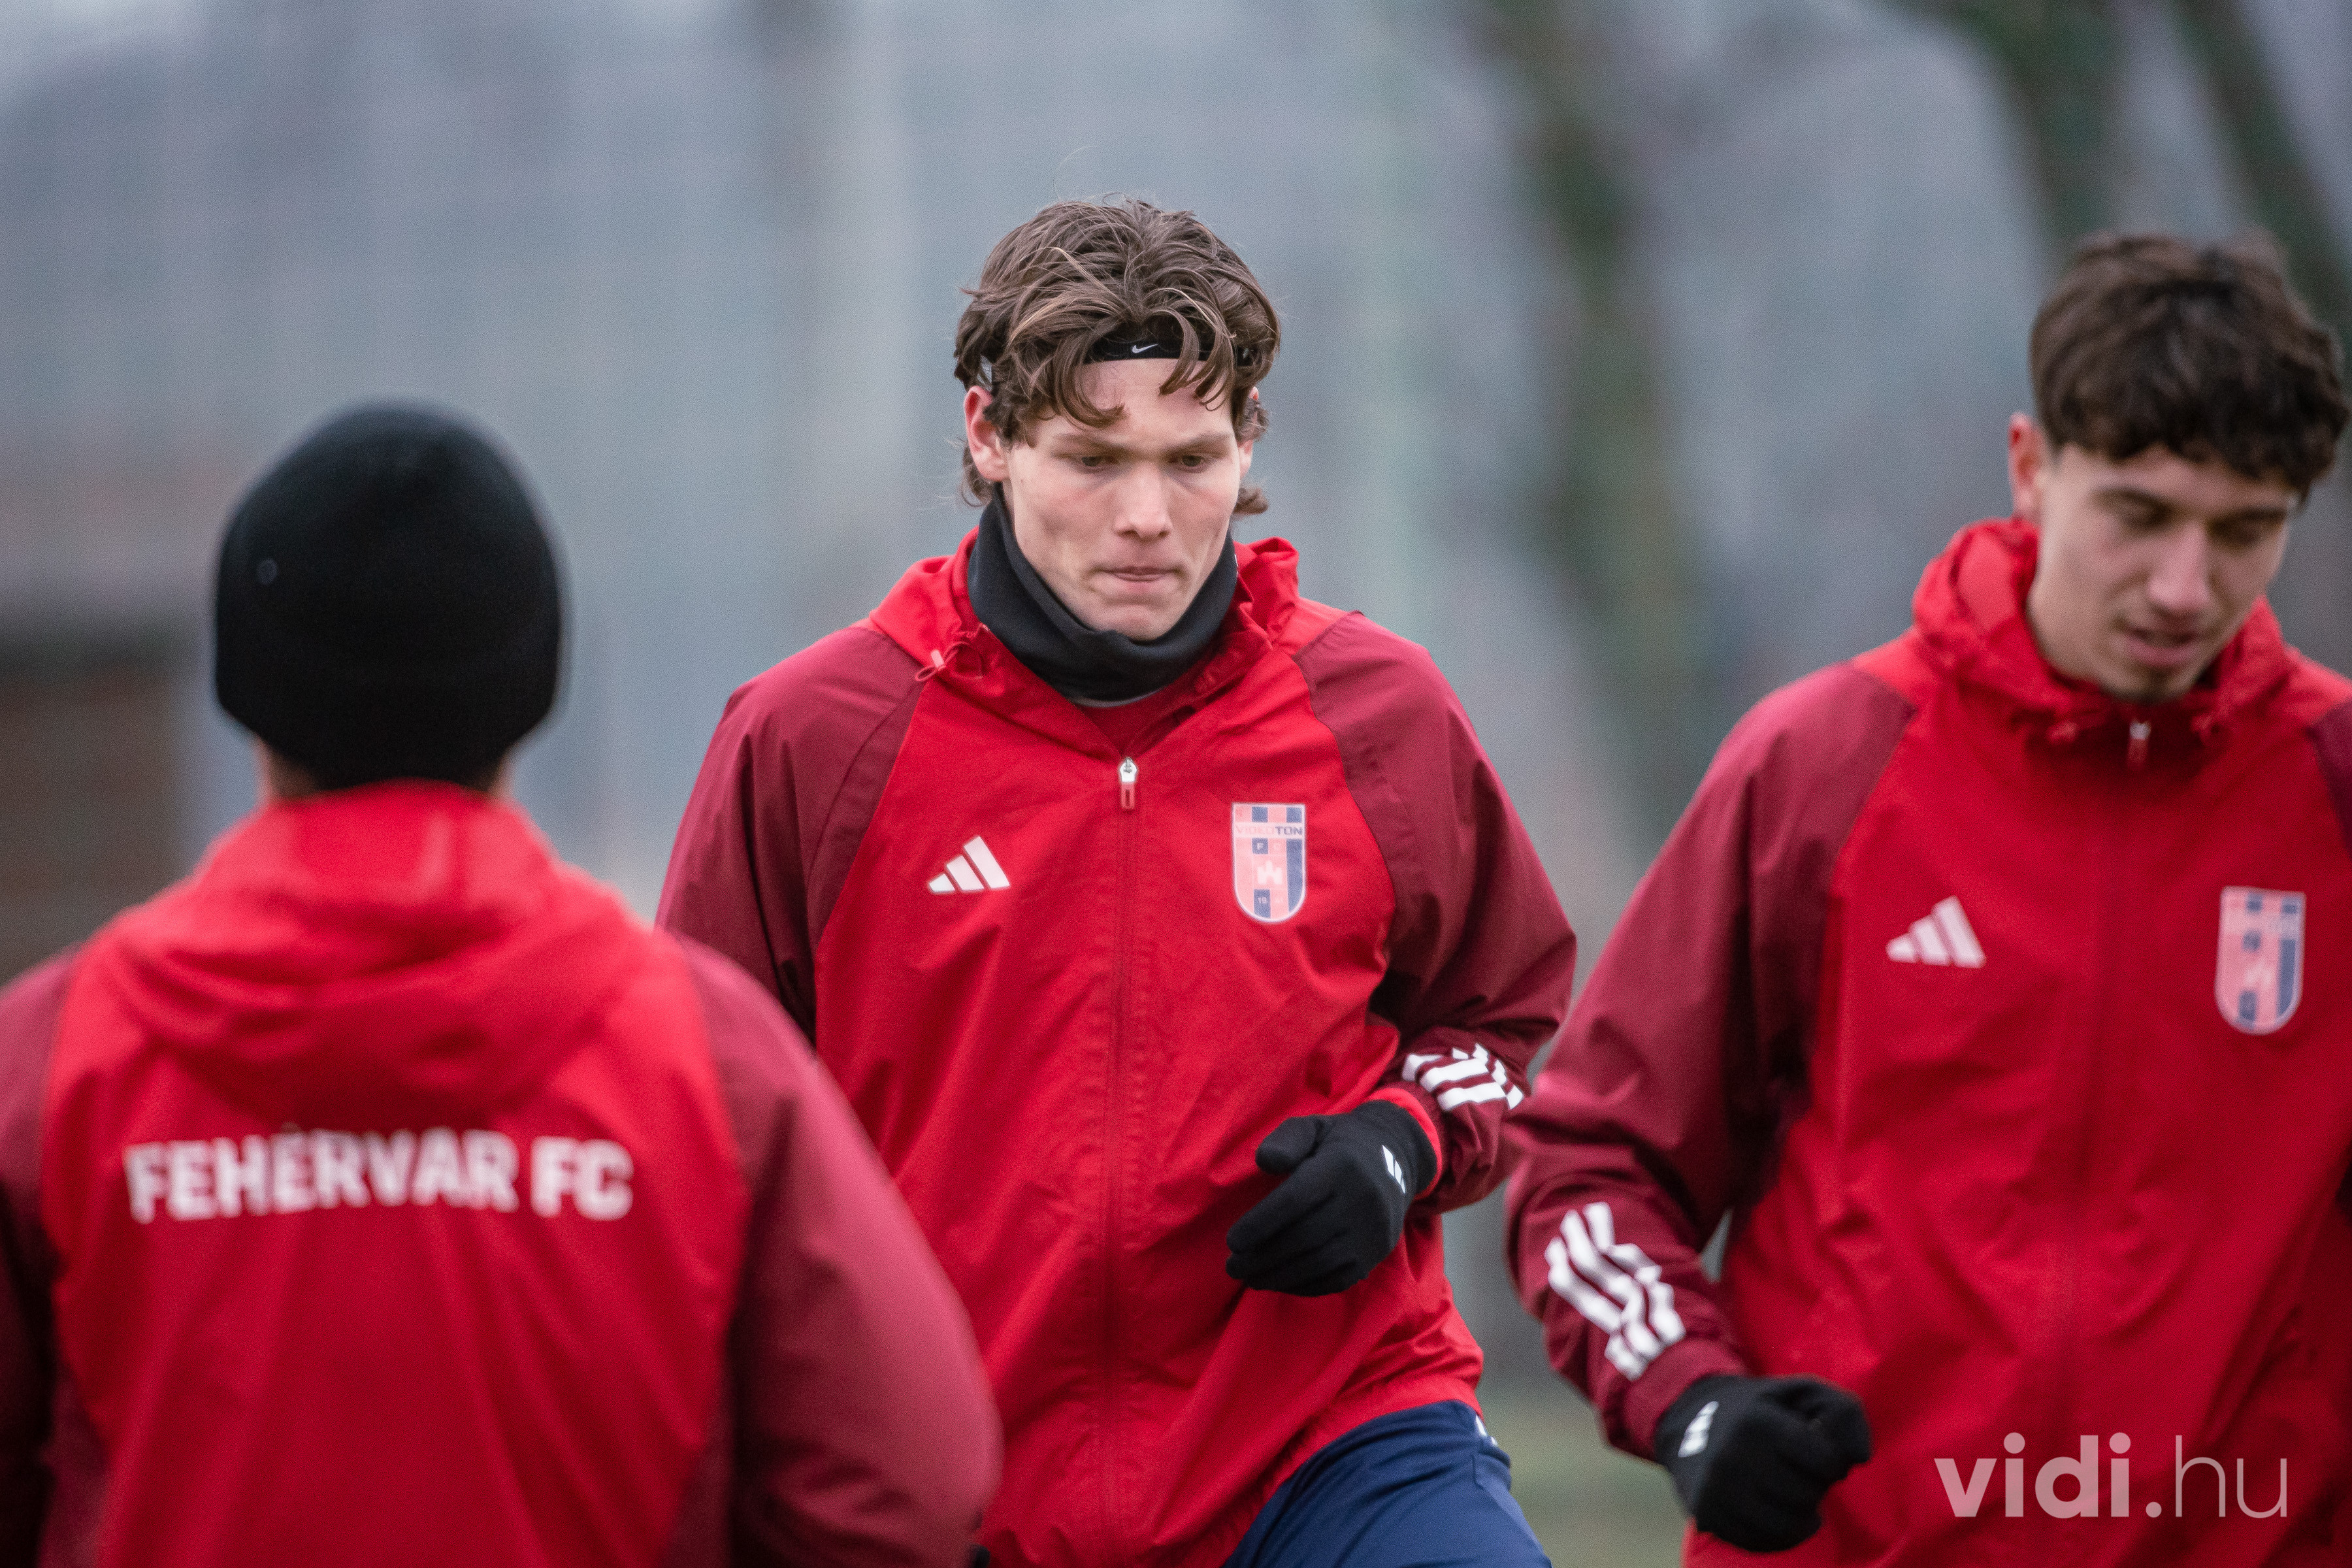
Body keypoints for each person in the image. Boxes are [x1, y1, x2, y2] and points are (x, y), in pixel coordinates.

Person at [659, 198, 1577, 1568]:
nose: (1147, 518)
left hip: (1333, 1446)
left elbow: (1499, 1018)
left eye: (1191, 459)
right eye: (1092, 459)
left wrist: (1402, 1146)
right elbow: (691, 1129)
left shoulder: (1378, 714)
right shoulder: (815, 740)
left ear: (1249, 437)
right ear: (989, 436)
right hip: (944, 1482)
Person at [0, 406, 999, 1567]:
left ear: (249, 694)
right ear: (527, 689)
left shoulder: (55, 1059)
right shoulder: (704, 1060)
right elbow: (903, 1484)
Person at [1504, 231, 2352, 1566]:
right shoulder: (1826, 764)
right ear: (2032, 467)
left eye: (2246, 531)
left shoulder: (2334, 791)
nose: (2186, 588)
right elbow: (1590, 1166)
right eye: (2139, 516)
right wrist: (1694, 1402)